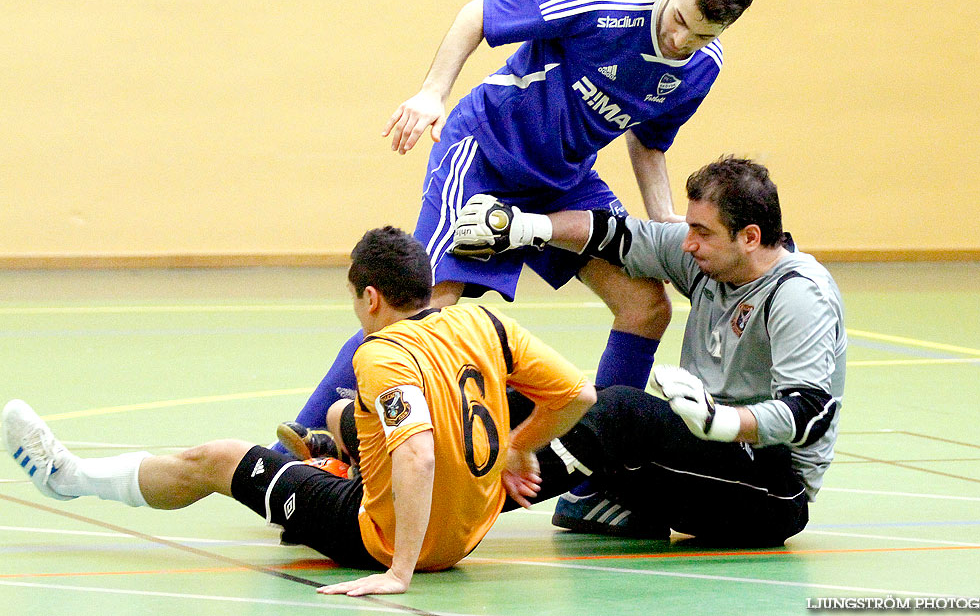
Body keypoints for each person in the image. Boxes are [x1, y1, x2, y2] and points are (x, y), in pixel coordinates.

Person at [285, 0, 757, 443]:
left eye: (702, 34)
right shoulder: (601, 0)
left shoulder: (702, 67)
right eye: (680, 20)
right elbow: (477, 15)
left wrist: (661, 215)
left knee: (647, 305)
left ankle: (600, 464)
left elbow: (650, 138)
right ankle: (305, 442)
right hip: (486, 154)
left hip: (562, 180)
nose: (681, 41)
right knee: (422, 310)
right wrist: (432, 93)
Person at [3, 226, 596, 596]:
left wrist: (400, 572)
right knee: (346, 418)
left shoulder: (382, 353)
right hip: (471, 529)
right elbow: (579, 396)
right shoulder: (481, 320)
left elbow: (416, 453)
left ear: (370, 298)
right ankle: (338, 456)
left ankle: (67, 478)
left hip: (390, 540)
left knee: (218, 460)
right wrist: (519, 445)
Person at [451, 156, 846, 544]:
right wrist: (526, 227)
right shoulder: (714, 261)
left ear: (750, 237)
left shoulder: (797, 293)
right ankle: (420, 470)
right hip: (706, 459)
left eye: (702, 232)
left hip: (772, 493)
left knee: (622, 411)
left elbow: (811, 412)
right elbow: (620, 235)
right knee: (564, 397)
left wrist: (720, 421)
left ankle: (450, 512)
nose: (688, 243)